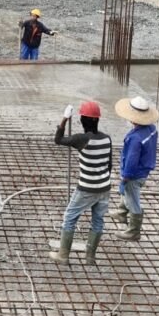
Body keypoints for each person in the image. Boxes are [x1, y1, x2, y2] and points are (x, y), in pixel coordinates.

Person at [50, 101, 112, 265]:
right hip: (105, 187)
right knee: (98, 221)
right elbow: (109, 165)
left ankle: (63, 256)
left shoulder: (81, 139)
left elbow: (58, 140)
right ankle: (90, 258)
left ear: (83, 120)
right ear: (97, 120)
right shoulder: (107, 138)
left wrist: (64, 119)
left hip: (86, 188)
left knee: (70, 217)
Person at [110, 96, 159, 241]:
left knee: (133, 200)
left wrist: (125, 177)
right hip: (145, 170)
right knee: (128, 193)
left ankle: (134, 231)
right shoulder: (152, 129)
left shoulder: (135, 138)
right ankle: (121, 212)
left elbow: (131, 161)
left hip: (135, 174)